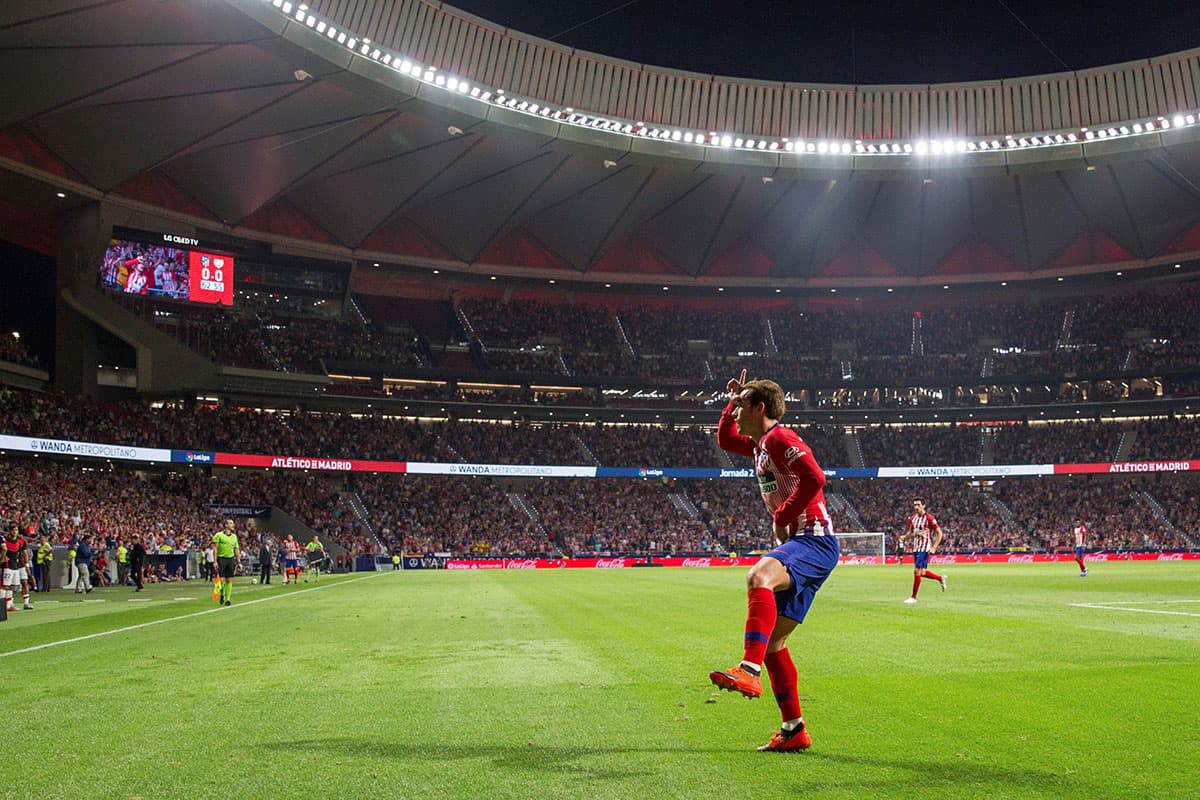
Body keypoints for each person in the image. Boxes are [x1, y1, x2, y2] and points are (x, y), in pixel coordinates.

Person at [708, 369, 839, 753]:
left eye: (741, 406)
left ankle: (748, 670)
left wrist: (782, 515)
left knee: (758, 576)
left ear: (760, 407)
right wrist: (730, 402)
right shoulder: (760, 445)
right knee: (774, 644)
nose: (736, 413)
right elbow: (724, 439)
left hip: (813, 540)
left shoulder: (780, 437)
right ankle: (793, 729)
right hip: (804, 544)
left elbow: (815, 478)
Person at [900, 498, 946, 604]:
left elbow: (939, 533)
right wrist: (905, 537)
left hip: (924, 548)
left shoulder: (929, 518)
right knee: (922, 573)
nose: (916, 507)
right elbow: (912, 532)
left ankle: (913, 597)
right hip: (916, 548)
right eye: (915, 505)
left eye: (918, 504)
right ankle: (940, 578)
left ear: (923, 505)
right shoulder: (913, 518)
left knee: (916, 571)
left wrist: (934, 547)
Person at [3, 523, 34, 611]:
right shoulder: (5, 540)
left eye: (16, 530)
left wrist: (26, 564)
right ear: (9, 530)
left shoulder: (21, 540)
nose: (15, 532)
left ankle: (26, 603)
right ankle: (9, 603)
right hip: (10, 564)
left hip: (20, 564)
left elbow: (25, 553)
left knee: (24, 582)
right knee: (9, 584)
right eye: (13, 530)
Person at [212, 519, 240, 606]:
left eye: (232, 523)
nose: (233, 525)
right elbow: (215, 548)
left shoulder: (234, 537)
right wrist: (215, 561)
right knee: (221, 579)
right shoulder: (219, 535)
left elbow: (236, 549)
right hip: (221, 559)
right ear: (226, 525)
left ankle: (228, 599)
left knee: (228, 579)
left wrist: (239, 562)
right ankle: (222, 594)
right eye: (231, 523)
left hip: (230, 559)